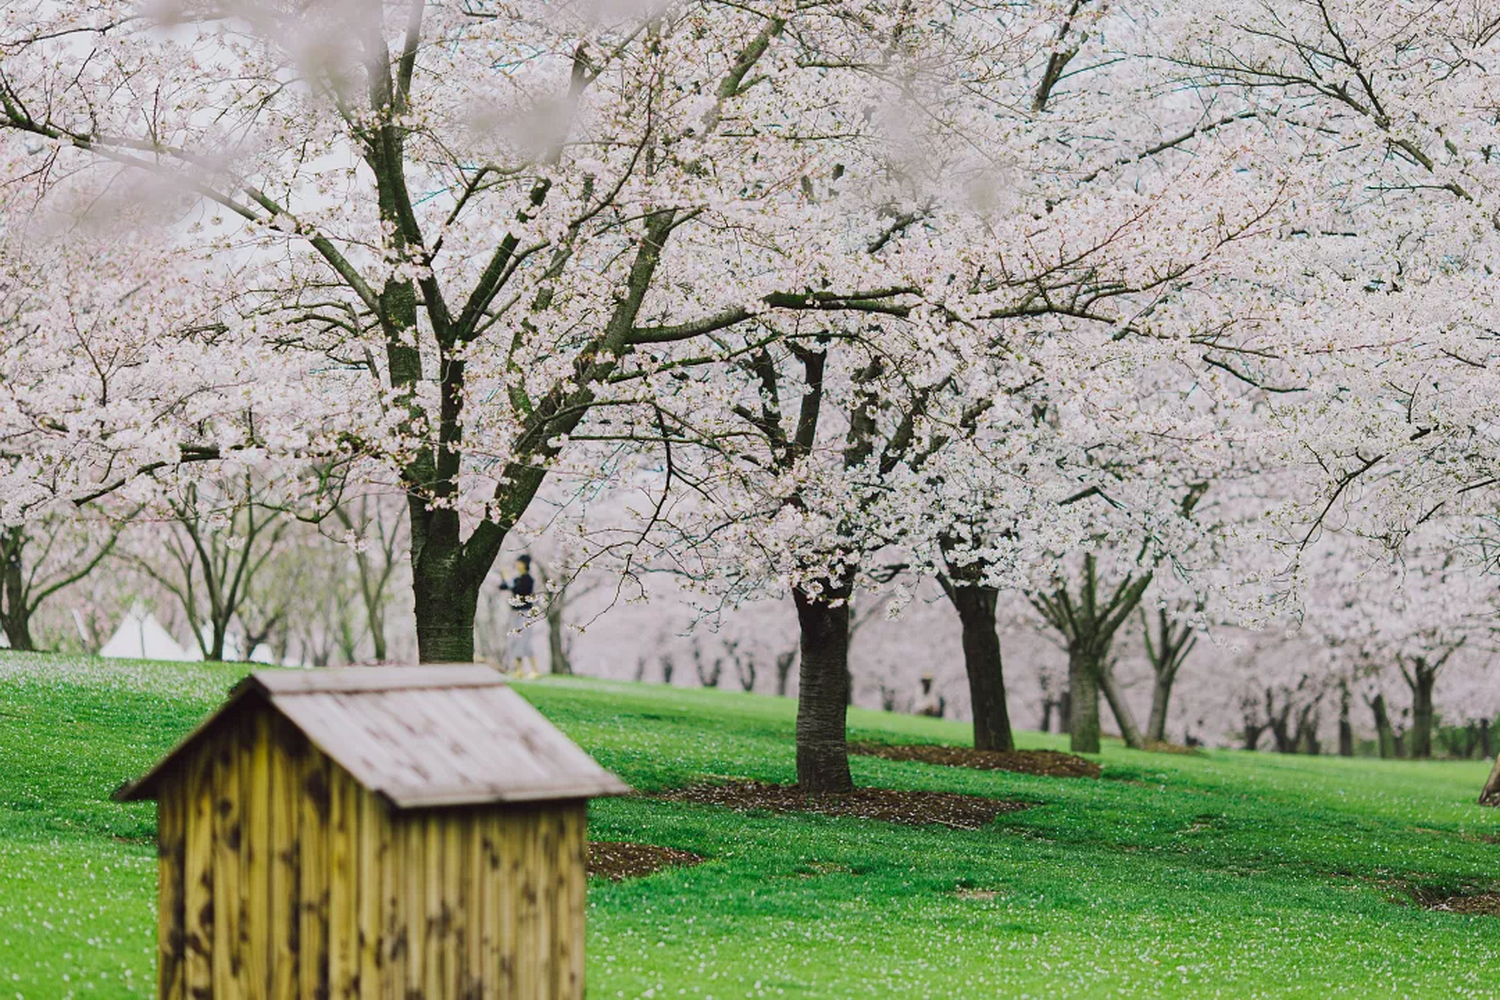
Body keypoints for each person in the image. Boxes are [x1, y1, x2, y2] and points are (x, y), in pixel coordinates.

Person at [497, 555, 539, 675]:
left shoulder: (528, 579)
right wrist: (504, 577)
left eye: (519, 562)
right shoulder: (517, 579)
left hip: (525, 613)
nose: (516, 564)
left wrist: (507, 578)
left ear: (524, 564)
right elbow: (502, 587)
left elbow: (518, 590)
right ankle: (527, 670)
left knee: (522, 640)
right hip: (514, 613)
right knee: (516, 640)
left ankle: (525, 670)